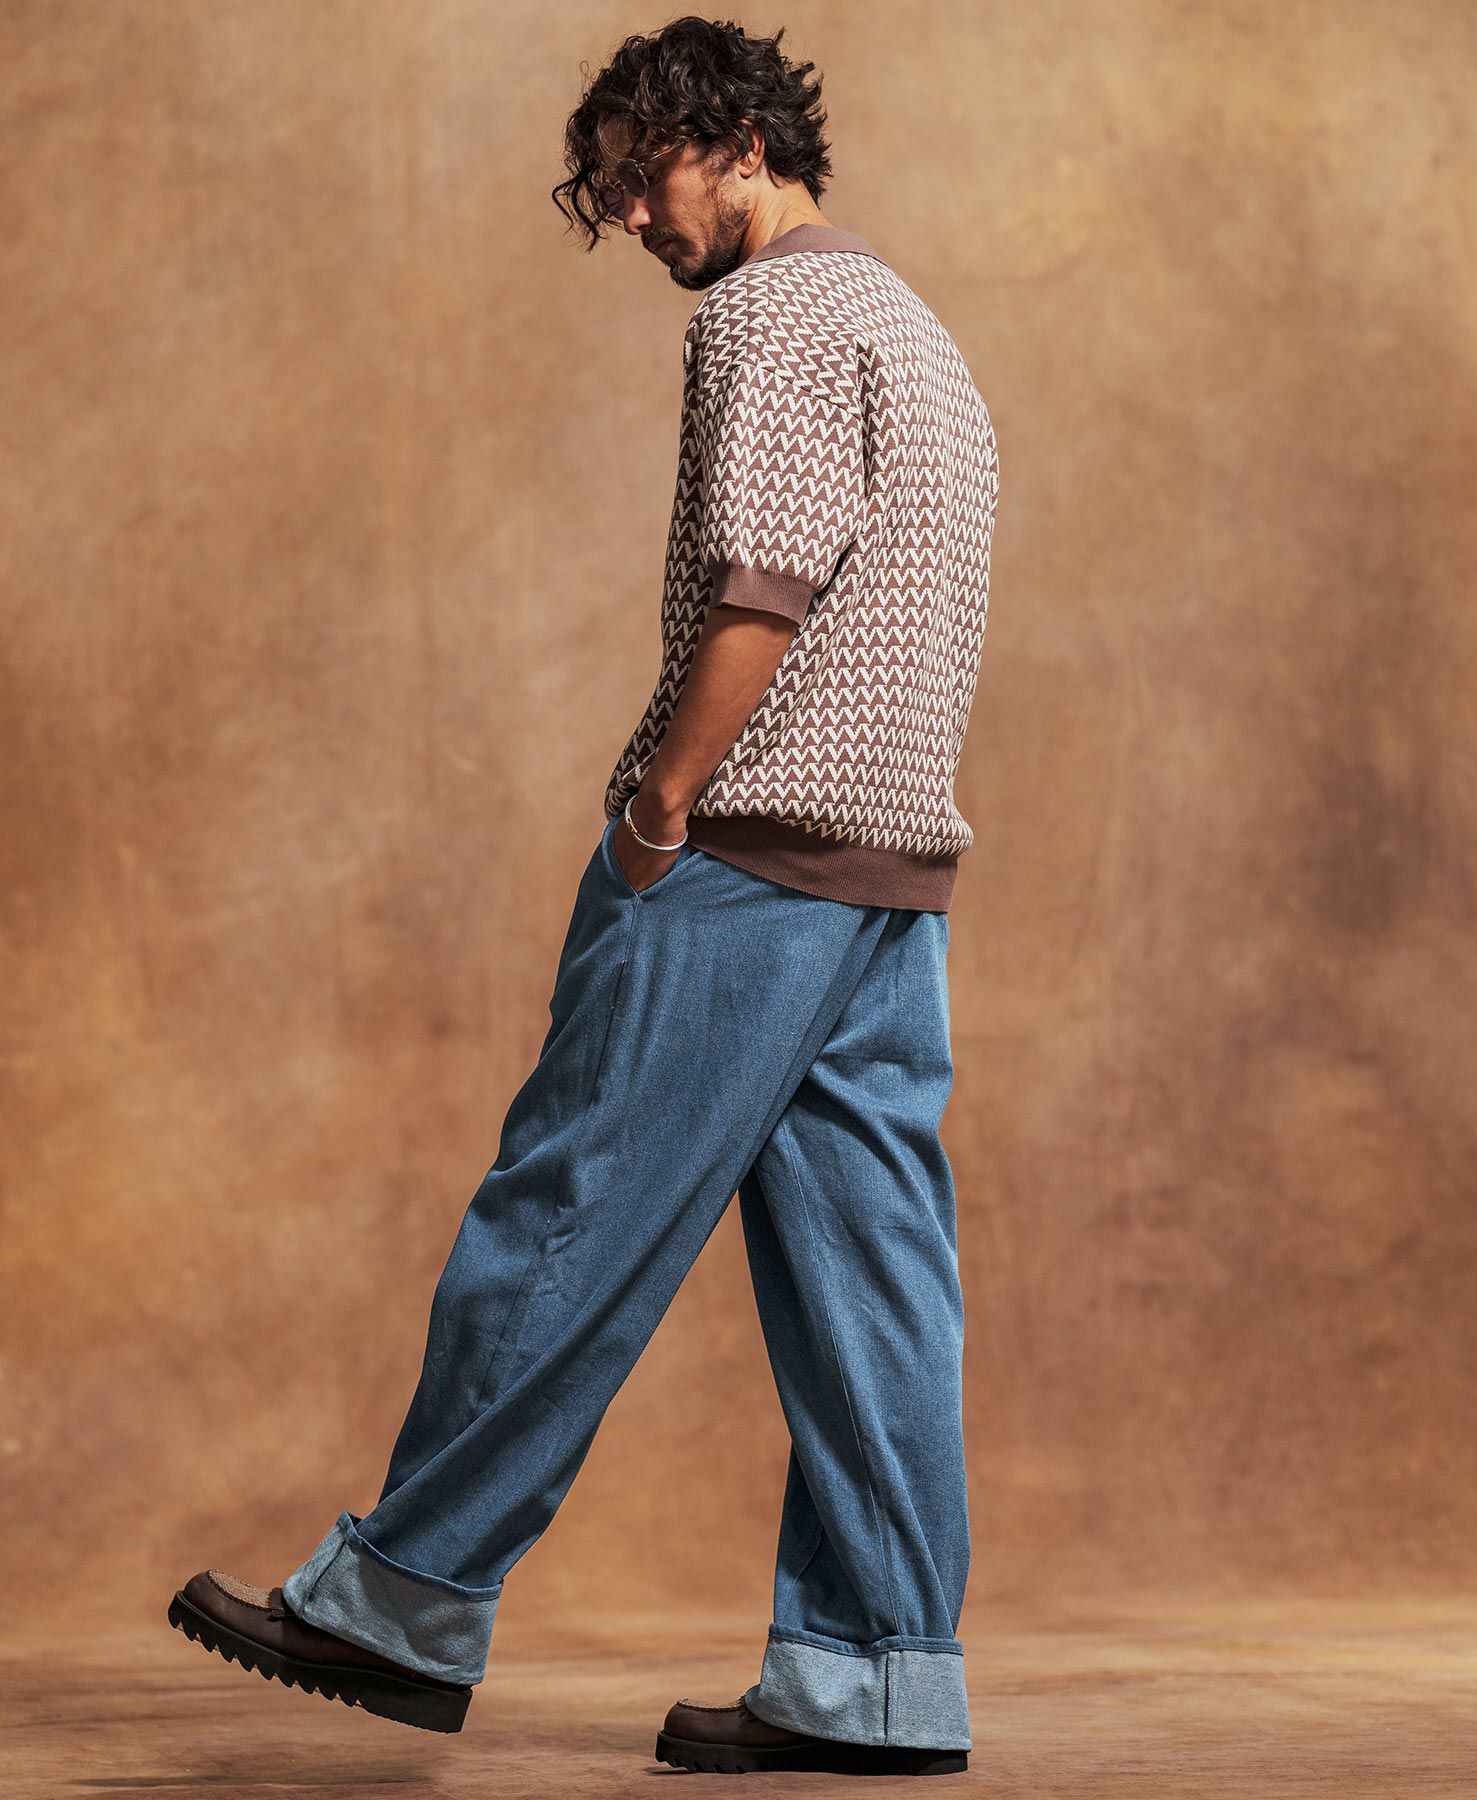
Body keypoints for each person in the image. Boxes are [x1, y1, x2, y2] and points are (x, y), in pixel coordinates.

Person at [168, 16, 999, 1779]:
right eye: (609, 190)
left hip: (748, 860)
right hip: (888, 881)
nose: (630, 216)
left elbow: (762, 594)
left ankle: (403, 1597)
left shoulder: (770, 317)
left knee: (565, 1208)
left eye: (645, 174)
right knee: (874, 1288)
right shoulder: (916, 330)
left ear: (745, 144)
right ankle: (877, 1681)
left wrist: (659, 805)